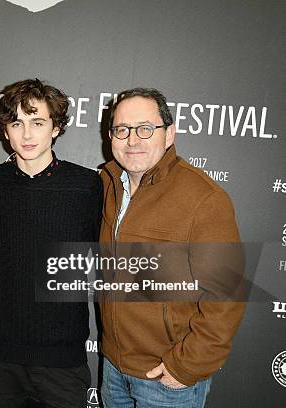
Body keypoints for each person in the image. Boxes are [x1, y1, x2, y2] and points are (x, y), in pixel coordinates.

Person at [99, 87, 245, 408]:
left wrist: (186, 366)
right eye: (121, 130)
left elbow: (227, 293)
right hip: (113, 367)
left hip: (166, 378)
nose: (132, 140)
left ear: (169, 135)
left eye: (145, 129)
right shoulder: (106, 184)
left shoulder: (203, 198)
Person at [0, 79, 102, 408]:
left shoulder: (87, 185)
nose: (27, 134)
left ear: (56, 128)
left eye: (37, 122)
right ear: (5, 130)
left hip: (62, 359)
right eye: (17, 123)